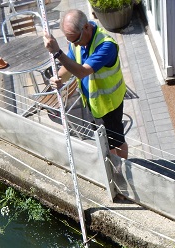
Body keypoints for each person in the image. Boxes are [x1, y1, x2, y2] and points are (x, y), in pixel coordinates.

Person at [43, 9, 128, 159]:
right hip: (93, 104)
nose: (74, 45)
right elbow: (70, 65)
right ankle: (113, 162)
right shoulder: (78, 42)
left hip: (109, 106)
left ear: (87, 27)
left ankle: (124, 168)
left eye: (75, 40)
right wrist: (59, 78)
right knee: (105, 141)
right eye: (70, 41)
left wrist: (57, 53)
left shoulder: (106, 46)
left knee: (117, 142)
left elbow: (82, 72)